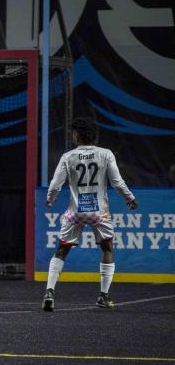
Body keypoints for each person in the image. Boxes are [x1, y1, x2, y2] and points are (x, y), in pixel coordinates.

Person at [42, 116, 138, 311]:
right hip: (99, 213)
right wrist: (130, 198)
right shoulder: (106, 154)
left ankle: (49, 292)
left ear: (76, 135)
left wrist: (50, 199)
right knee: (107, 248)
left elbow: (55, 184)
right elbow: (117, 182)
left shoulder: (68, 156)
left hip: (75, 212)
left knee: (62, 249)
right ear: (95, 136)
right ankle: (103, 296)